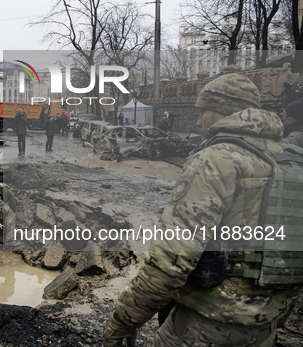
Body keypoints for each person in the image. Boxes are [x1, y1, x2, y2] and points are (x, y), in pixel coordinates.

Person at [104, 74, 302, 346]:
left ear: (225, 111)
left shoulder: (216, 159)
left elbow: (171, 262)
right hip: (265, 327)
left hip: (205, 327)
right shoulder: (292, 159)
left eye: (202, 112)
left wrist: (123, 321)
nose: (197, 122)